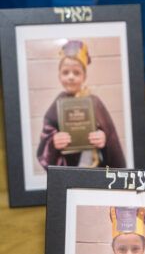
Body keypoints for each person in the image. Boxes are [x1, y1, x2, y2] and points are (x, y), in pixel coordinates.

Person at [37, 40, 126, 168]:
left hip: (95, 165)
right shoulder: (57, 104)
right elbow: (47, 135)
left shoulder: (94, 102)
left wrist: (103, 138)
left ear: (84, 76)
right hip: (69, 167)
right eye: (65, 72)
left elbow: (110, 135)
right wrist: (53, 142)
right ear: (59, 76)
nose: (71, 77)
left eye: (77, 72)